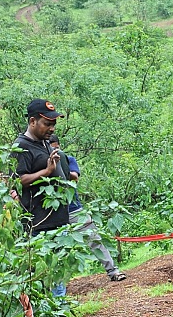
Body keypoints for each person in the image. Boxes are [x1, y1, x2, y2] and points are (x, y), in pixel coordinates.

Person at [12, 98, 71, 296]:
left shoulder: (46, 143)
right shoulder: (21, 147)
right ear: (32, 122)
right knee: (44, 272)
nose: (51, 128)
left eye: (53, 124)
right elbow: (19, 180)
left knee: (58, 270)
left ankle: (58, 312)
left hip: (59, 220)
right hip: (39, 224)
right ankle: (52, 315)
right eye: (47, 124)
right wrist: (46, 172)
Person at [50, 136, 127, 282]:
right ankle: (58, 284)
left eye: (56, 148)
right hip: (52, 213)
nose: (55, 151)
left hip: (74, 209)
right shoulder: (43, 163)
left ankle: (113, 271)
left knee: (94, 238)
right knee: (56, 247)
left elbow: (74, 176)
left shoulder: (68, 158)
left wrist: (60, 167)